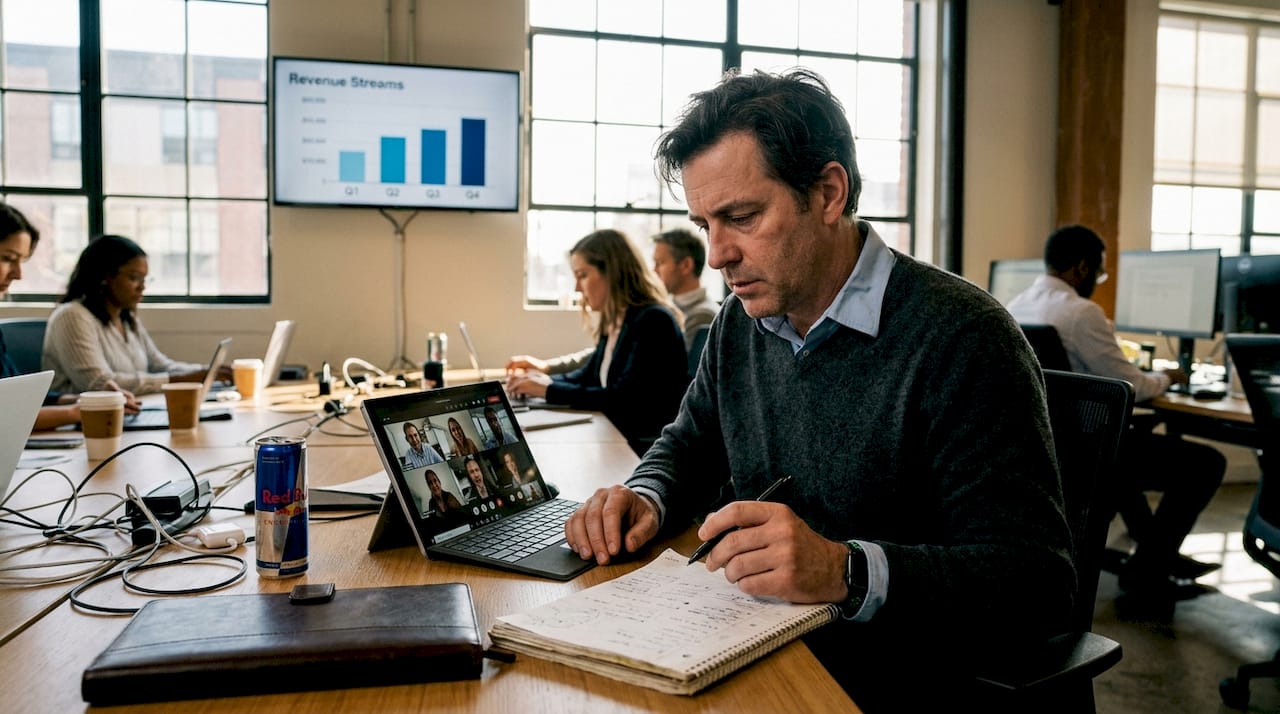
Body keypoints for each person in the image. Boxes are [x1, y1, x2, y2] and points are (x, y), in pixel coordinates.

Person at [561, 68, 1074, 710]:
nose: (717, 255)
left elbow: (1037, 580)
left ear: (829, 194)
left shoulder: (962, 336)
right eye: (704, 225)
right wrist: (647, 495)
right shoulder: (741, 323)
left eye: (742, 217)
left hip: (896, 673)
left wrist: (844, 571)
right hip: (755, 642)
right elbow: (689, 444)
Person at [1006, 224, 1226, 599]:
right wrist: (1167, 376)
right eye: (1100, 272)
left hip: (1053, 448)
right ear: (1081, 268)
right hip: (1087, 453)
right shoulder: (1081, 311)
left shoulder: (1016, 305)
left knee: (1125, 453)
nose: (1098, 280)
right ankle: (1148, 570)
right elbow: (1133, 387)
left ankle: (1154, 554)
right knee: (1205, 464)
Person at [505, 229, 690, 456]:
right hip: (618, 438)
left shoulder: (653, 320)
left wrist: (549, 389)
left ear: (611, 273)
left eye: (582, 275)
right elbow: (588, 375)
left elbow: (622, 399)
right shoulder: (618, 320)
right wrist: (537, 382)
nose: (577, 288)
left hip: (642, 449)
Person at [0, 203, 138, 431]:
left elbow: (13, 397)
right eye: (7, 258)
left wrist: (81, 400)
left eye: (21, 261)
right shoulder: (73, 316)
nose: (18, 274)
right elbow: (6, 416)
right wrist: (77, 412)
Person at [43, 234, 230, 396]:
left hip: (129, 412)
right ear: (105, 277)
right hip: (81, 425)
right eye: (134, 278)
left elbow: (159, 365)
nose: (142, 287)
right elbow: (100, 384)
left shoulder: (126, 317)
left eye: (144, 278)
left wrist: (207, 372)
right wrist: (183, 379)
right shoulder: (72, 316)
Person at [652, 228, 720, 351]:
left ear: (686, 265)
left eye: (660, 263)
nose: (654, 271)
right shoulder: (670, 308)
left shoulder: (702, 315)